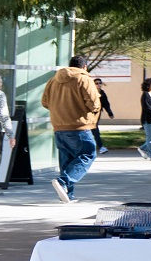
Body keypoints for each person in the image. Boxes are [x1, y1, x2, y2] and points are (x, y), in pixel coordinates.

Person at [42, 55, 102, 203]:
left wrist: (59, 110)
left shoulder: (53, 80)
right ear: (84, 67)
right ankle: (63, 182)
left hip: (59, 126)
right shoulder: (84, 79)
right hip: (79, 126)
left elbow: (45, 102)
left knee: (67, 160)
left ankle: (68, 195)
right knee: (88, 154)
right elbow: (94, 103)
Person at [90, 79, 114, 155]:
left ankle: (100, 147)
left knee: (94, 130)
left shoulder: (102, 93)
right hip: (89, 114)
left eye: (100, 83)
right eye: (96, 83)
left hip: (97, 114)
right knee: (93, 130)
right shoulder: (90, 92)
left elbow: (106, 104)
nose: (98, 85)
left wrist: (110, 112)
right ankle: (100, 147)